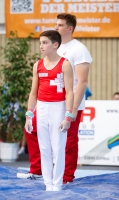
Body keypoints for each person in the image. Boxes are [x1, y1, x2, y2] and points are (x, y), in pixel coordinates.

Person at [17, 13, 92, 184]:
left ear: (70, 28)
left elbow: (82, 82)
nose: (56, 27)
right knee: (32, 130)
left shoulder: (79, 49)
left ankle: (66, 177)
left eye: (60, 25)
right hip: (46, 102)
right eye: (56, 24)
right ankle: (37, 170)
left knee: (68, 142)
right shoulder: (52, 48)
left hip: (67, 103)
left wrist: (72, 110)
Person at [25, 30, 74, 191]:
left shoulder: (65, 64)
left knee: (58, 147)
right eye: (40, 43)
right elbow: (33, 92)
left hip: (59, 107)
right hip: (42, 106)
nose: (41, 46)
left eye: (45, 42)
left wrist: (68, 116)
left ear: (55, 45)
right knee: (44, 147)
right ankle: (48, 183)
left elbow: (70, 92)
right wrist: (29, 115)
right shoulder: (37, 65)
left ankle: (57, 184)